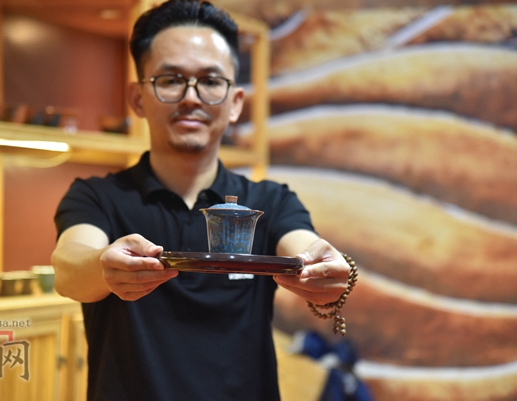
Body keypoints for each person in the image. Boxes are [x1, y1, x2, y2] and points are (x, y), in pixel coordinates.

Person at [51, 1, 352, 400]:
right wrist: (103, 267)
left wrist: (323, 269)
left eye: (210, 81)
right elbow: (68, 266)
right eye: (171, 79)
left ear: (235, 102)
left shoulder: (271, 201)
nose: (191, 97)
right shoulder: (98, 197)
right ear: (138, 98)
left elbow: (305, 247)